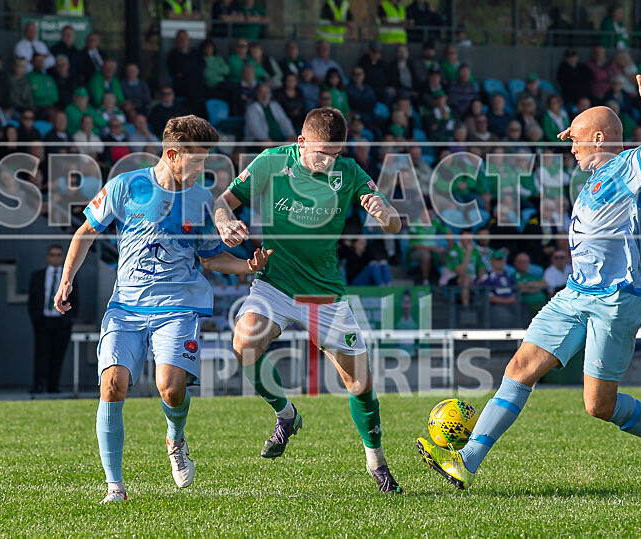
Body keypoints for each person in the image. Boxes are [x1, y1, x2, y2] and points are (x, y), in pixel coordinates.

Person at [418, 67, 641, 497]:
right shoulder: (593, 178)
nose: (571, 146)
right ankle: (466, 461)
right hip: (575, 293)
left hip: (616, 298)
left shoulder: (627, 166)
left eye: (578, 139)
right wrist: (579, 131)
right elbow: (591, 142)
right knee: (519, 368)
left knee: (598, 405)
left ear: (600, 139)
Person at [54, 114, 272, 503]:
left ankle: (175, 438)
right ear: (172, 154)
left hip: (178, 306)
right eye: (197, 160)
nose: (203, 168)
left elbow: (210, 258)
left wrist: (247, 267)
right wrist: (66, 278)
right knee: (112, 384)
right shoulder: (125, 186)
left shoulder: (201, 200)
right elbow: (85, 232)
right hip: (126, 307)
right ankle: (115, 488)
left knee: (170, 389)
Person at [213, 107, 404, 493]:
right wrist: (224, 222)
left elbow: (395, 224)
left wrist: (384, 213)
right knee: (244, 343)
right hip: (276, 284)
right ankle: (286, 415)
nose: (329, 161)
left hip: (323, 292)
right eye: (322, 153)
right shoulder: (271, 163)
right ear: (301, 142)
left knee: (359, 383)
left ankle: (377, 462)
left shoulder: (349, 172)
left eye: (336, 153)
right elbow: (223, 201)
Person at [28, 245, 78, 394]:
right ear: (48, 257)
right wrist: (36, 318)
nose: (55, 258)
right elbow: (33, 299)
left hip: (61, 321)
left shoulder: (69, 277)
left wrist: (70, 319)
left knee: (58, 354)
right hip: (43, 320)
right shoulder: (38, 276)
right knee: (41, 353)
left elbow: (75, 299)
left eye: (58, 255)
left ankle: (53, 386)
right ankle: (38, 385)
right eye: (52, 255)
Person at [442, 229, 485, 306]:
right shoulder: (454, 251)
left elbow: (481, 267)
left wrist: (480, 278)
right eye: (466, 237)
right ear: (460, 239)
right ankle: (466, 308)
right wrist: (468, 253)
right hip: (454, 278)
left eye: (470, 237)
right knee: (466, 278)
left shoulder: (475, 250)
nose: (469, 240)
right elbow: (460, 272)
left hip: (473, 278)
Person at [167, 30, 205, 104]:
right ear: (177, 40)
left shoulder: (195, 53)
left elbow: (202, 66)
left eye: (184, 38)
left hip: (196, 82)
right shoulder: (173, 55)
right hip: (181, 84)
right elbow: (173, 71)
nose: (183, 40)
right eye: (180, 38)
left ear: (188, 40)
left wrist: (187, 71)